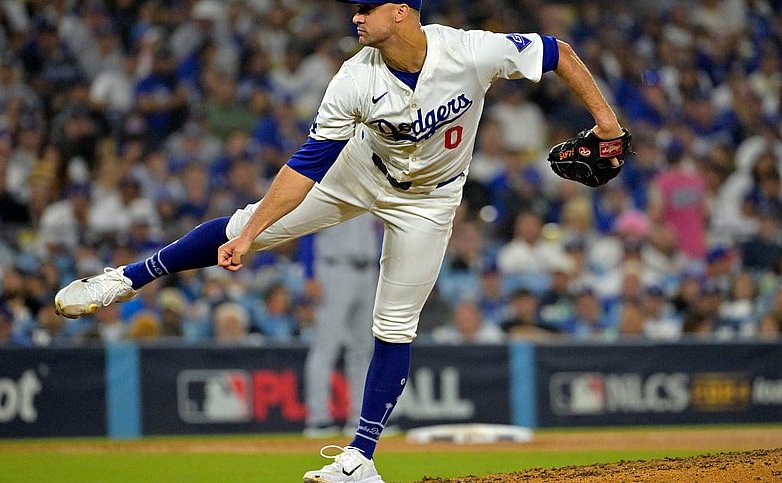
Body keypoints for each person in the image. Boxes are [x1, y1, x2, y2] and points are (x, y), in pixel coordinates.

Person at [54, 2, 627, 481]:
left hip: (430, 199)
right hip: (361, 170)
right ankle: (123, 280)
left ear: (401, 12)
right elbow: (306, 168)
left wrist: (607, 123)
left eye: (366, 6)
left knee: (395, 323)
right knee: (240, 223)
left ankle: (360, 459)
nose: (355, 15)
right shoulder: (355, 77)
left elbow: (555, 52)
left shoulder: (469, 50)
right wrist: (253, 236)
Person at [302, 215, 380, 438]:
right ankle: (318, 419)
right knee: (326, 346)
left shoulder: (373, 187)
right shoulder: (328, 184)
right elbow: (307, 232)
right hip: (334, 268)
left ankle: (360, 419)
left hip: (368, 271)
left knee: (363, 349)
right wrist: (309, 274)